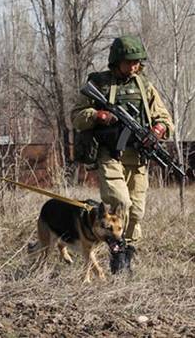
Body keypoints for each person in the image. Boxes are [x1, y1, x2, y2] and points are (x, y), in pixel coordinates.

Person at [71, 35, 174, 271]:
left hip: (137, 158)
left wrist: (158, 130)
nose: (134, 66)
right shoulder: (99, 84)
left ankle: (125, 256)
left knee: (136, 211)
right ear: (116, 60)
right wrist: (98, 116)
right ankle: (117, 254)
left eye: (137, 62)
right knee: (120, 201)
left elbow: (164, 119)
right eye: (129, 62)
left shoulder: (144, 86)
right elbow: (76, 116)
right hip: (109, 155)